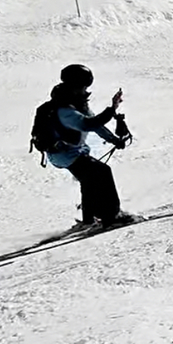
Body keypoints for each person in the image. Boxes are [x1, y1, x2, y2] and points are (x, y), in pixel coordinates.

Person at [40, 64, 131, 226]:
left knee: (90, 178)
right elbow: (87, 124)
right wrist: (112, 109)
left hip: (70, 153)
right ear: (75, 86)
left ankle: (91, 219)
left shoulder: (76, 103)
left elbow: (96, 125)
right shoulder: (64, 109)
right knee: (101, 172)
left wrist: (114, 140)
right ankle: (110, 216)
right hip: (64, 154)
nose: (85, 90)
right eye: (83, 86)